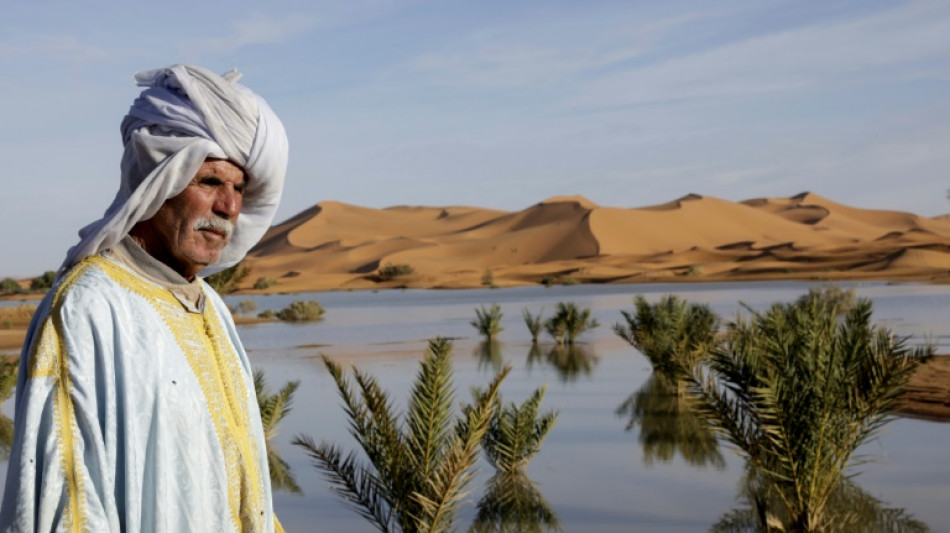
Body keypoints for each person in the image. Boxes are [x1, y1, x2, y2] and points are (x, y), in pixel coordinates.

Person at [0, 65, 289, 533]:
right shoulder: (89, 308)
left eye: (239, 188)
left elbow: (247, 484)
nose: (230, 207)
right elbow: (67, 501)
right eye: (210, 182)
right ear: (160, 182)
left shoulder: (210, 306)